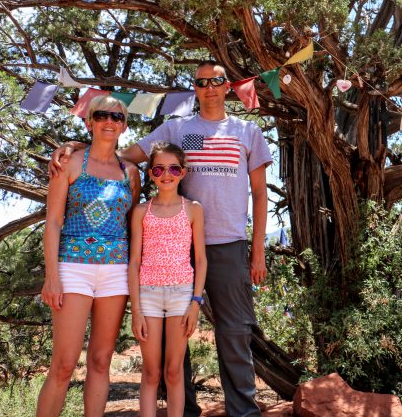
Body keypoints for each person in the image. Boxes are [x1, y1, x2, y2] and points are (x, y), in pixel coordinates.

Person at [51, 62, 271, 417]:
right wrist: (77, 148)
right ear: (195, 89)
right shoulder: (178, 128)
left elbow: (260, 194)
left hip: (228, 244)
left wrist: (257, 248)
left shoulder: (248, 132)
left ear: (228, 86)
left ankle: (243, 412)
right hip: (176, 246)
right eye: (201, 83)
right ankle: (183, 412)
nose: (209, 88)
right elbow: (119, 156)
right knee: (172, 339)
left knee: (234, 333)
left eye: (216, 81)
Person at [37, 96, 141, 417]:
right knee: (64, 364)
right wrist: (51, 276)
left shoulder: (131, 174)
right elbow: (53, 221)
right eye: (101, 115)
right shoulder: (68, 163)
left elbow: (132, 226)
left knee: (101, 360)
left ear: (123, 126)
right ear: (89, 122)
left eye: (117, 116)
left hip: (115, 274)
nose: (109, 121)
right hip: (72, 269)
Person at [129, 142, 207, 417]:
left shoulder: (193, 209)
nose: (166, 174)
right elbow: (135, 261)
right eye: (159, 169)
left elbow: (200, 260)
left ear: (183, 173)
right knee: (151, 372)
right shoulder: (141, 212)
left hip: (182, 295)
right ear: (151, 173)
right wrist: (135, 310)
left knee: (173, 372)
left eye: (174, 168)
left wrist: (195, 303)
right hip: (148, 295)